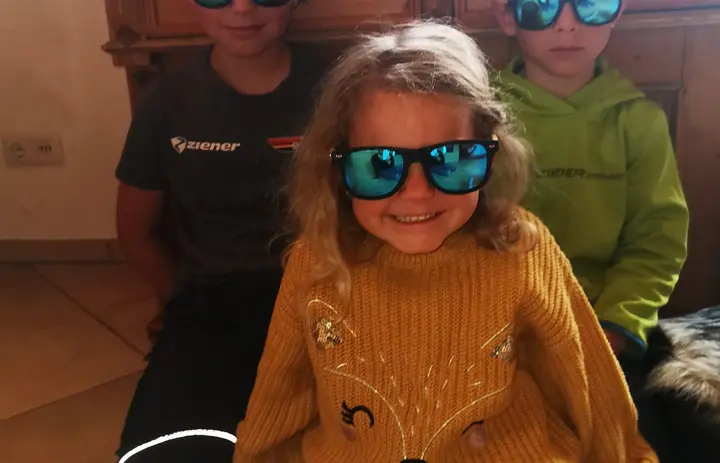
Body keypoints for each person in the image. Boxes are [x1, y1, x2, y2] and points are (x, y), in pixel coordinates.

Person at [232, 21, 656, 462]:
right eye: (379, 164)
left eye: (450, 160)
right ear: (337, 166)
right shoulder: (316, 258)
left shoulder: (518, 246)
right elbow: (280, 392)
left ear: (488, 149)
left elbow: (586, 374)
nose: (417, 192)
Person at [114, 0, 330, 461]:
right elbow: (135, 230)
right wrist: (176, 301)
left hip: (326, 289)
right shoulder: (166, 103)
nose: (242, 8)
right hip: (213, 299)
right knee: (169, 447)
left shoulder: (338, 89)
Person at [491, 0, 689, 455]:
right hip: (500, 329)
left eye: (591, 5)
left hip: (604, 328)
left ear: (617, 13)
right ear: (506, 15)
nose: (567, 24)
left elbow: (657, 240)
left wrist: (614, 328)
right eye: (540, 5)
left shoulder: (638, 122)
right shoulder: (479, 119)